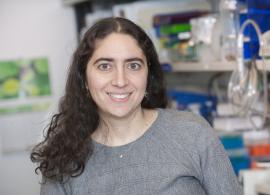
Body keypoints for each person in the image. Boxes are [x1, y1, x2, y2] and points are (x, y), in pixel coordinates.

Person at [31, 17, 243, 195]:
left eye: (133, 65)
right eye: (105, 66)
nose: (120, 80)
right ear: (85, 79)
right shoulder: (62, 160)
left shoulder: (192, 134)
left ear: (147, 75)